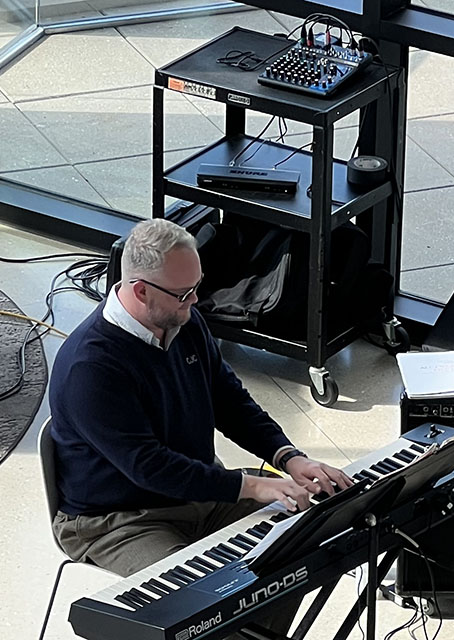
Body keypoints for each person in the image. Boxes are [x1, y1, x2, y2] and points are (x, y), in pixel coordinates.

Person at [48, 218, 352, 635]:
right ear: (140, 290)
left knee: (295, 539)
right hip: (119, 518)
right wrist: (248, 484)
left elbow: (229, 401)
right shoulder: (91, 366)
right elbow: (149, 467)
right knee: (198, 602)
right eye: (184, 293)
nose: (196, 300)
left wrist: (289, 458)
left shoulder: (182, 320)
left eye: (197, 286)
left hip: (196, 493)